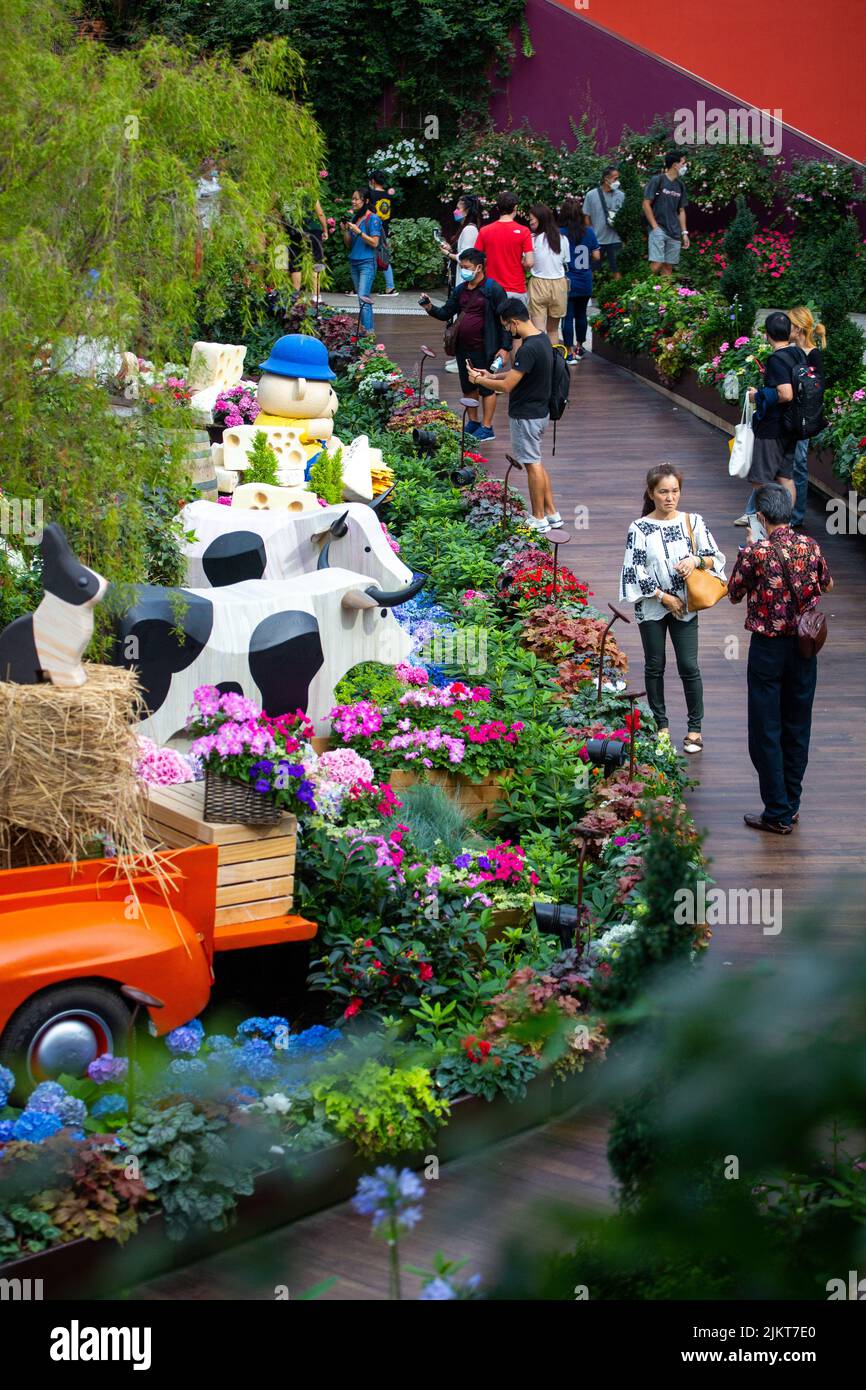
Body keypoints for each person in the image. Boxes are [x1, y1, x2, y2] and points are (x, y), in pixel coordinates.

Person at [727, 483, 833, 834]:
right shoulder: (810, 545)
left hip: (769, 650)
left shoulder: (756, 552)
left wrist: (749, 546)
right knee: (797, 725)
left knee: (765, 729)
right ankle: (792, 802)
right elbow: (827, 585)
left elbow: (733, 593)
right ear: (788, 511)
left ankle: (776, 811)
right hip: (805, 648)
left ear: (760, 517)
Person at [619, 464, 726, 754]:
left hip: (687, 606)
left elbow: (715, 557)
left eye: (675, 491)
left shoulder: (693, 521)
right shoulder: (639, 528)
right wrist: (664, 597)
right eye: (663, 492)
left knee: (689, 666)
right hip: (654, 606)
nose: (670, 497)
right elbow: (633, 571)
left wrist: (694, 561)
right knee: (655, 665)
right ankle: (660, 725)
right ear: (651, 493)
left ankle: (695, 729)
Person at [468, 297, 561, 532]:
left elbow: (508, 385)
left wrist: (481, 381)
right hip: (539, 413)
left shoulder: (528, 348)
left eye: (506, 327)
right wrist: (488, 374)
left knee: (532, 465)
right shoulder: (541, 339)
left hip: (525, 416)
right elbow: (517, 374)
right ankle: (552, 513)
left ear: (513, 322)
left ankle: (538, 518)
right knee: (536, 462)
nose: (508, 332)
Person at [420, 247, 510, 443]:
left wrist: (505, 348)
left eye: (467, 267)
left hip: (486, 347)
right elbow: (446, 312)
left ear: (479, 267)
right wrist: (428, 306)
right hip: (463, 348)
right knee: (468, 386)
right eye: (461, 266)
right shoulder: (461, 289)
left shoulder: (493, 289)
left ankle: (487, 427)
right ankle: (474, 422)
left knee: (487, 387)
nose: (463, 271)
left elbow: (506, 321)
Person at [734, 311, 803, 533]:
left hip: (773, 428)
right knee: (785, 477)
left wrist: (758, 395)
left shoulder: (776, 359)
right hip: (792, 426)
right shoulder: (798, 354)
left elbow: (785, 393)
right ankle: (785, 527)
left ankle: (764, 529)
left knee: (761, 480)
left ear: (767, 335)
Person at [787, 306, 827, 527]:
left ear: (799, 328)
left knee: (799, 464)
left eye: (790, 325)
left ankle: (796, 516)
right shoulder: (790, 352)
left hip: (803, 418)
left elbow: (816, 389)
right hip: (788, 415)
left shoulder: (813, 355)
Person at [441, 194, 482, 371]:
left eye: (458, 207)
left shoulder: (470, 230)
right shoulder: (466, 229)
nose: (455, 211)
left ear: (466, 210)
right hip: (460, 277)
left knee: (462, 318)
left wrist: (448, 254)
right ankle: (458, 357)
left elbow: (465, 257)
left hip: (463, 277)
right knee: (459, 317)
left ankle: (463, 361)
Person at [559, 197, 600, 364]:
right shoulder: (588, 232)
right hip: (585, 279)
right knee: (581, 315)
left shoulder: (560, 233)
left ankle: (568, 352)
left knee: (567, 316)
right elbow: (597, 255)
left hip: (566, 281)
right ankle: (580, 346)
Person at [474, 193, 534, 303]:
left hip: (491, 287)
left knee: (491, 320)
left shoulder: (484, 231)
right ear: (515, 207)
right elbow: (530, 262)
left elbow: (475, 258)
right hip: (516, 288)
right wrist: (523, 262)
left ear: (497, 208)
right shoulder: (524, 231)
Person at [526, 203, 570, 345]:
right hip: (559, 285)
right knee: (553, 330)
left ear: (541, 218)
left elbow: (527, 262)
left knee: (538, 331)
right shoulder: (562, 239)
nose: (530, 221)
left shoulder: (532, 240)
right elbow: (565, 261)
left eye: (532, 218)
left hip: (538, 283)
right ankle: (554, 363)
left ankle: (541, 364)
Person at [340, 188, 382, 334]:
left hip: (367, 263)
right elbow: (349, 244)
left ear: (366, 201)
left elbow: (375, 243)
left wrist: (359, 232)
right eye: (352, 198)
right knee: (361, 299)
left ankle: (369, 333)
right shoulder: (355, 218)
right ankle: (364, 332)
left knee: (364, 298)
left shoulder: (373, 218)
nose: (353, 202)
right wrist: (345, 231)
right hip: (354, 262)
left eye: (356, 199)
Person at [642, 150, 690, 275]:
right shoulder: (658, 180)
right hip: (659, 229)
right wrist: (654, 227)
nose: (685, 166)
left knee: (668, 267)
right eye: (683, 163)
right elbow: (646, 204)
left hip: (674, 232)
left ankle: (665, 294)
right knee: (657, 263)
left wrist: (684, 233)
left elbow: (681, 210)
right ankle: (637, 290)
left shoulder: (680, 185)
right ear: (675, 165)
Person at [582, 166, 624, 279]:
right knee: (591, 269)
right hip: (597, 239)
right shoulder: (591, 195)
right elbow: (586, 216)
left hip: (615, 239)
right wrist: (590, 234)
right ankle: (587, 293)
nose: (617, 181)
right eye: (615, 178)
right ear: (606, 179)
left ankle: (618, 295)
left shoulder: (621, 195)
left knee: (617, 269)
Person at [368, 170, 398, 296]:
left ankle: (362, 288)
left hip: (371, 228)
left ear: (373, 181)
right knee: (383, 257)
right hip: (384, 229)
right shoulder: (388, 196)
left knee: (368, 257)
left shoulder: (370, 194)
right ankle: (390, 287)